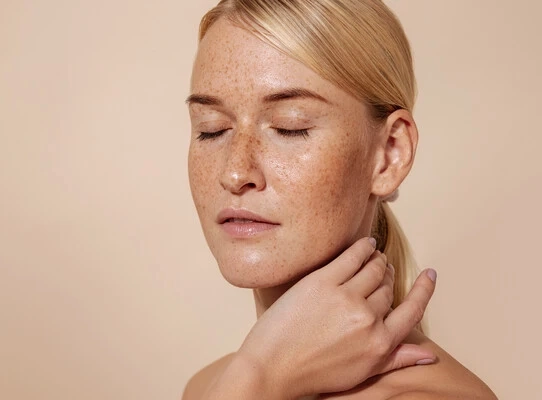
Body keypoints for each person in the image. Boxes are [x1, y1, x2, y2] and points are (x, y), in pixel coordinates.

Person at [182, 1, 497, 398]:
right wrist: (260, 374)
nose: (234, 172)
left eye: (289, 127)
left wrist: (259, 377)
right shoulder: (212, 385)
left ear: (389, 154)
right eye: (211, 129)